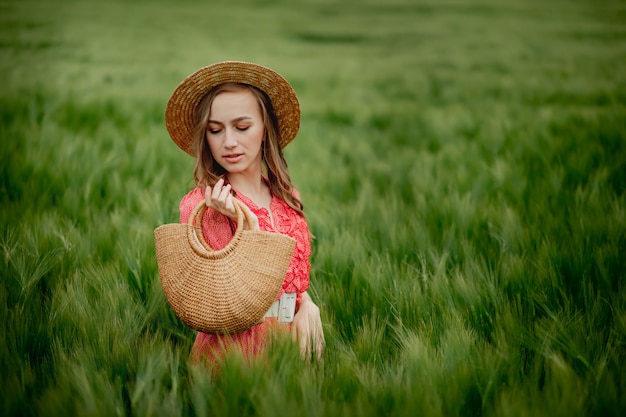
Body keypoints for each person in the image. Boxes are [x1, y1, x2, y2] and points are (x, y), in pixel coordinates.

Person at [164, 61, 325, 366]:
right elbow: (220, 298)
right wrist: (244, 226)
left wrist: (309, 305)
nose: (229, 142)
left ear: (265, 130)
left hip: (293, 346)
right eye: (215, 130)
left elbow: (293, 279)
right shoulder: (202, 206)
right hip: (235, 353)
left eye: (242, 127)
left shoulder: (288, 197)